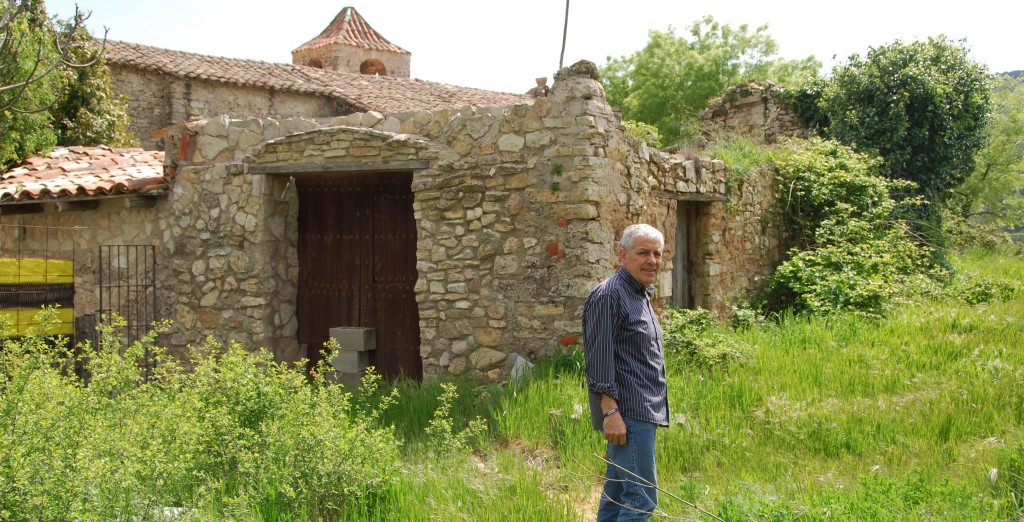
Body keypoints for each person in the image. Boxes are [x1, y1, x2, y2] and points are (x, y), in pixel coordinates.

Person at [583, 223, 669, 521]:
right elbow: (599, 360)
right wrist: (610, 412)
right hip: (628, 413)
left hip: (641, 411)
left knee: (618, 497)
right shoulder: (610, 296)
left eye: (657, 254)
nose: (652, 261)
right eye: (643, 252)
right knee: (640, 500)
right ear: (623, 255)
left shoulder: (639, 294)